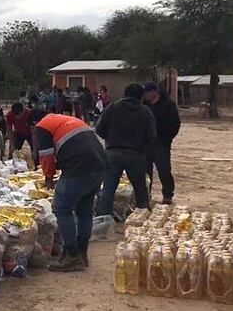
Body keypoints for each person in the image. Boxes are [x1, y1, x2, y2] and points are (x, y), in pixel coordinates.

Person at [30, 110, 108, 272]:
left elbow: (46, 156)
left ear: (33, 124)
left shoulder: (41, 127)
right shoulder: (66, 120)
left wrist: (49, 176)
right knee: (84, 209)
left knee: (61, 208)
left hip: (79, 166)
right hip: (100, 164)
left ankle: (72, 255)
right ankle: (81, 253)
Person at [95, 84, 156, 219]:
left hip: (113, 152)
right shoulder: (145, 111)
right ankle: (142, 217)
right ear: (141, 97)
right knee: (140, 187)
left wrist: (110, 138)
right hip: (136, 154)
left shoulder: (112, 107)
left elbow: (99, 128)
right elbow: (151, 136)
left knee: (109, 187)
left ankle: (104, 218)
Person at [144, 82, 181, 205]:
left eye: (147, 92)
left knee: (163, 169)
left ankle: (167, 194)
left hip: (161, 142)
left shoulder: (168, 105)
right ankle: (146, 194)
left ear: (154, 92)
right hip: (146, 142)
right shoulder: (144, 105)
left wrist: (166, 138)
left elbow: (175, 123)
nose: (146, 95)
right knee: (145, 170)